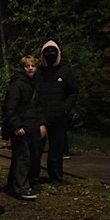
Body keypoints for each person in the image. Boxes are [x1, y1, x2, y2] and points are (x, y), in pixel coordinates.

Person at [36, 39, 79, 184]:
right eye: (47, 53)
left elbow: (73, 91)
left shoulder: (65, 72)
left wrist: (65, 108)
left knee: (56, 150)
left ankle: (55, 177)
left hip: (58, 118)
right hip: (40, 117)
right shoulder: (38, 73)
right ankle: (33, 176)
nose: (50, 55)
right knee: (36, 149)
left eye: (53, 53)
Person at [3, 56, 41, 200]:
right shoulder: (17, 85)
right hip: (21, 128)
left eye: (32, 66)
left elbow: (38, 107)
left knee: (26, 158)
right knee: (22, 158)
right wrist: (17, 126)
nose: (30, 68)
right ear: (22, 68)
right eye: (27, 66)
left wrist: (40, 123)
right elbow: (10, 108)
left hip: (31, 126)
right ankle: (21, 188)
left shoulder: (34, 84)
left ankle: (14, 186)